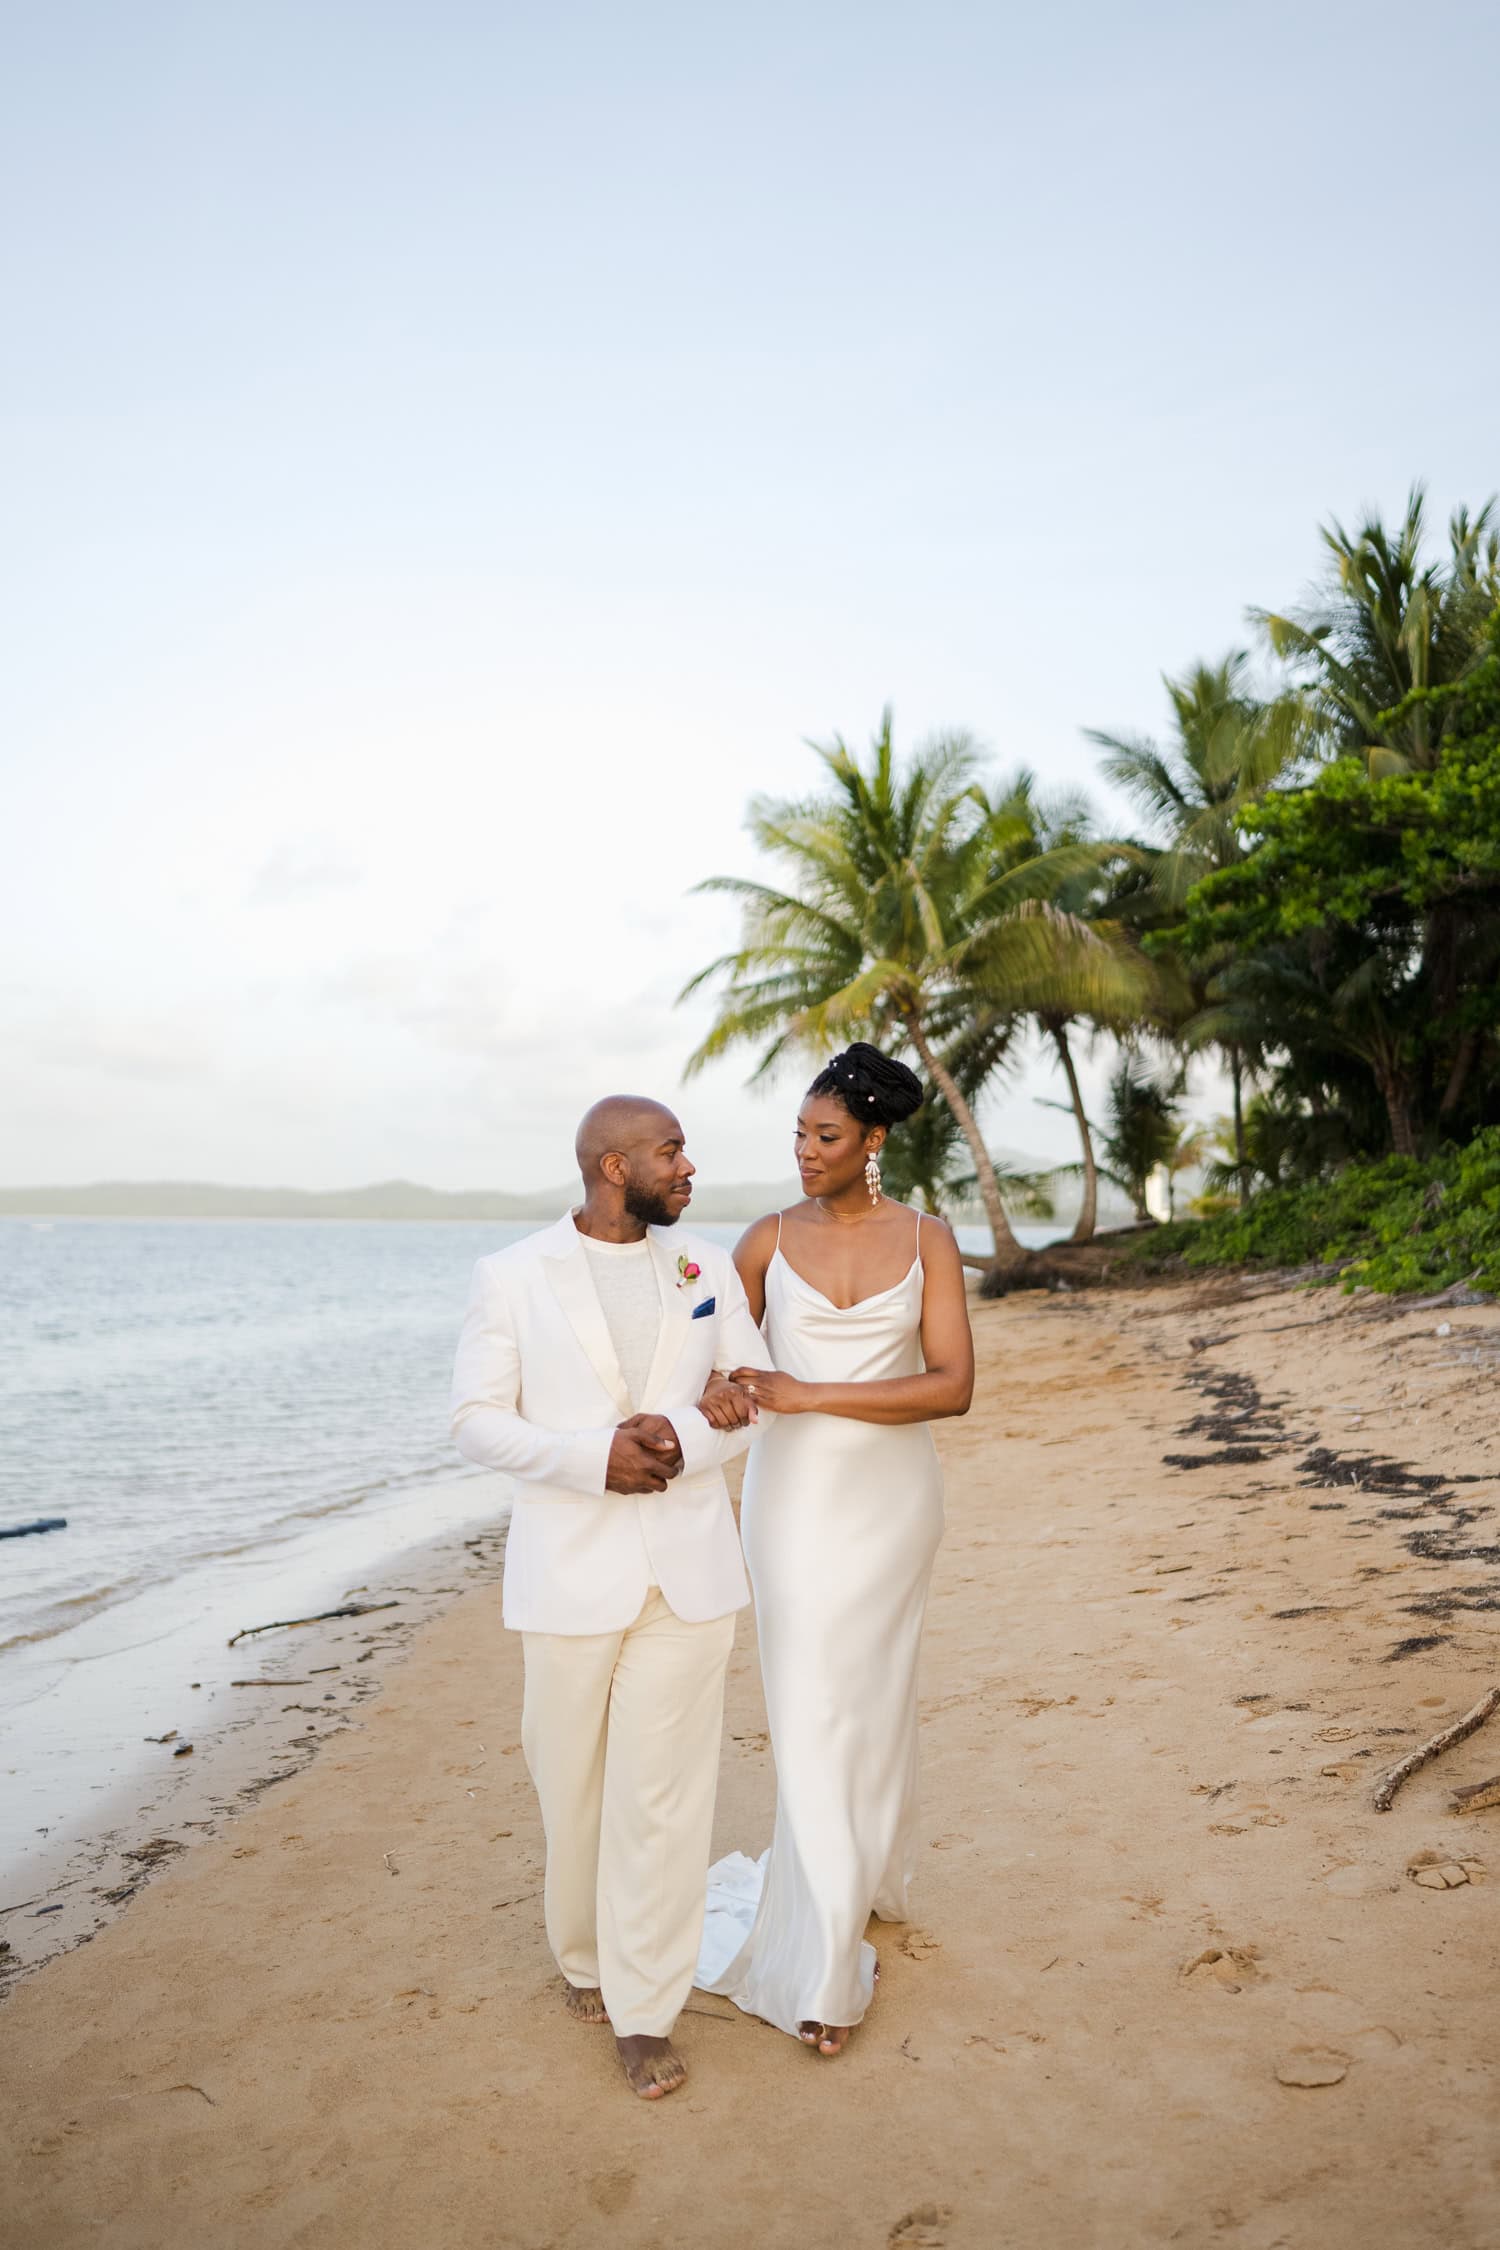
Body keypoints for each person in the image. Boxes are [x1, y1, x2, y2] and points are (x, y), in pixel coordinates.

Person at [450, 1096, 770, 2099]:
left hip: (690, 1572)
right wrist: (596, 1459)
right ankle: (583, 1955)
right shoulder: (511, 1278)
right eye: (670, 1150)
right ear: (610, 1163)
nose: (688, 1167)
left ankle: (644, 2010)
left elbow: (753, 1390)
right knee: (574, 1790)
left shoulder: (706, 1267)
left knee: (663, 1801)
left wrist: (687, 1436)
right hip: (568, 1577)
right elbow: (474, 1422)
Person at [696, 1043, 974, 2054]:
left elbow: (951, 1385)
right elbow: (713, 1361)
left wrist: (811, 1391)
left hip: (894, 1506)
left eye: (826, 1137)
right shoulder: (765, 1241)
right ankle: (819, 1968)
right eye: (799, 1136)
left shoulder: (928, 1241)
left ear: (874, 1142)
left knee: (872, 1701)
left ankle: (853, 1886)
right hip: (792, 1503)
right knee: (808, 1707)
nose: (806, 1153)